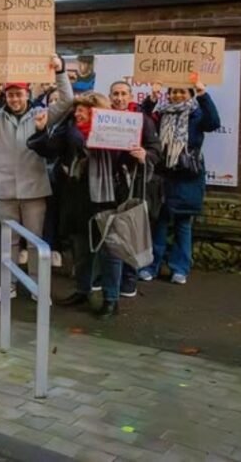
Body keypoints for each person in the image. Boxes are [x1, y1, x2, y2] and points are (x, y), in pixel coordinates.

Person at [30, 92, 159, 318]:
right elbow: (48, 149)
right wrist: (41, 130)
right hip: (78, 196)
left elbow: (139, 157)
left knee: (111, 250)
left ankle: (111, 299)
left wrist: (142, 155)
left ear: (96, 112)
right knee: (81, 247)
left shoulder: (117, 132)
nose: (77, 114)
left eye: (83, 110)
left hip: (109, 196)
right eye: (76, 110)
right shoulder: (70, 132)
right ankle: (83, 290)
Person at [0, 57, 72, 303]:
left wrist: (61, 71)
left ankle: (37, 287)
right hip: (5, 191)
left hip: (34, 190)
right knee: (8, 242)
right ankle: (8, 286)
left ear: (27, 94)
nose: (14, 99)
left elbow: (67, 101)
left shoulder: (40, 115)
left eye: (19, 94)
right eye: (11, 95)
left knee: (35, 242)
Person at [139, 80, 221, 285]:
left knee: (183, 224)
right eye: (174, 91)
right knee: (159, 222)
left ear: (190, 94)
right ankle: (151, 266)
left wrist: (203, 95)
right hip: (163, 175)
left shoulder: (197, 114)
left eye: (182, 92)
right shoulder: (161, 114)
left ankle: (180, 269)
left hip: (187, 176)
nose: (177, 95)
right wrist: (151, 100)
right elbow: (140, 120)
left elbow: (213, 123)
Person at [107, 80, 164, 298]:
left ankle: (129, 281)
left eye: (123, 94)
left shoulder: (142, 120)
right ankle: (108, 279)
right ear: (110, 97)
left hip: (133, 183)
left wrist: (145, 155)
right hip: (108, 184)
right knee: (110, 232)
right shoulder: (103, 117)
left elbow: (156, 150)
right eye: (115, 94)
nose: (119, 98)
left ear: (130, 96)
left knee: (131, 232)